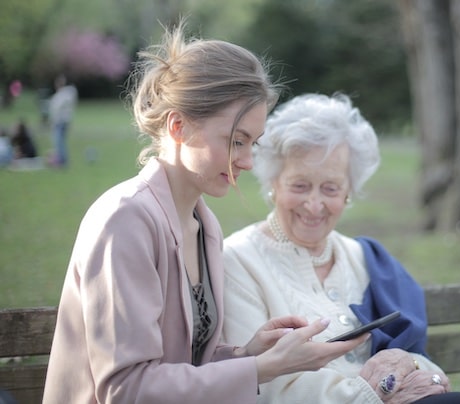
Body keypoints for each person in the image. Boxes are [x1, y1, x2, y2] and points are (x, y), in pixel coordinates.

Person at [42, 23, 366, 404]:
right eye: (235, 141)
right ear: (178, 126)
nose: (246, 161)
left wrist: (249, 353)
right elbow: (126, 389)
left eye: (253, 143)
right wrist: (261, 369)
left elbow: (187, 363)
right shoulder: (125, 220)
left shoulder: (203, 223)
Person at [221, 93, 460, 404]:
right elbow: (263, 386)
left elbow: (418, 360)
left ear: (348, 193)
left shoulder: (364, 258)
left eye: (331, 188)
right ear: (273, 183)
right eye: (300, 185)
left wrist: (417, 371)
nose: (314, 204)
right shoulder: (237, 260)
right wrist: (374, 392)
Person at [47, 73, 78, 167]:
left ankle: (62, 160)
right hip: (63, 121)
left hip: (60, 122)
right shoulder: (65, 94)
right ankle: (61, 159)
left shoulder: (64, 95)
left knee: (59, 141)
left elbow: (56, 109)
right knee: (60, 141)